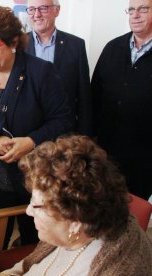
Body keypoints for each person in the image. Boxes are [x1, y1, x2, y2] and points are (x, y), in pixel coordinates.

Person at [0, 6, 73, 256]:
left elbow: (63, 121)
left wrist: (31, 141)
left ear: (14, 43)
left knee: (38, 250)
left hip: (38, 184)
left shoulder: (41, 73)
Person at [0, 135, 152, 275]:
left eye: (36, 206)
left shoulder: (113, 268)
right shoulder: (70, 228)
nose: (28, 211)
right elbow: (30, 266)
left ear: (75, 222)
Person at [92, 0, 152, 200]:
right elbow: (94, 95)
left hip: (144, 157)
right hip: (106, 151)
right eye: (131, 10)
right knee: (100, 207)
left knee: (133, 212)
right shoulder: (113, 47)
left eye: (143, 9)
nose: (135, 15)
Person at [25, 0, 92, 136]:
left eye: (43, 8)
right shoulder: (17, 45)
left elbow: (84, 94)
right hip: (27, 133)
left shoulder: (76, 45)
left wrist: (85, 135)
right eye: (31, 9)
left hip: (64, 132)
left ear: (57, 10)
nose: (36, 14)